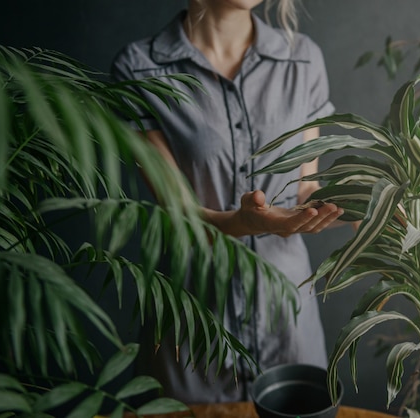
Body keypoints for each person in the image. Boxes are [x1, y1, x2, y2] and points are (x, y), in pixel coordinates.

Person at [111, 0, 343, 403]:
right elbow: (179, 213)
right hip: (192, 325)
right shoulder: (140, 66)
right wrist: (245, 222)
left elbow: (305, 191)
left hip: (288, 320)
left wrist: (361, 200)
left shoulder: (302, 59)